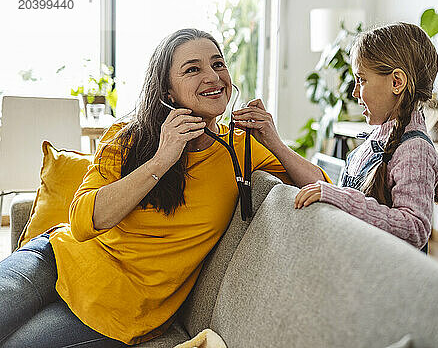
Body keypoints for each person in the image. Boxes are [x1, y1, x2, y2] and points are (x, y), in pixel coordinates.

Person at [0, 28, 328, 347]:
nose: (213, 77)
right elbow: (84, 222)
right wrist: (161, 159)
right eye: (193, 69)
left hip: (118, 312)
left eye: (218, 64)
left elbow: (325, 188)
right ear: (168, 92)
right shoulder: (130, 137)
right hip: (55, 256)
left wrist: (275, 141)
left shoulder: (240, 147)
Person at [295, 22, 438, 252]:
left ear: (397, 82)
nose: (355, 92)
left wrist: (341, 198)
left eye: (361, 80)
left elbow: (415, 229)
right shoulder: (377, 138)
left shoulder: (415, 150)